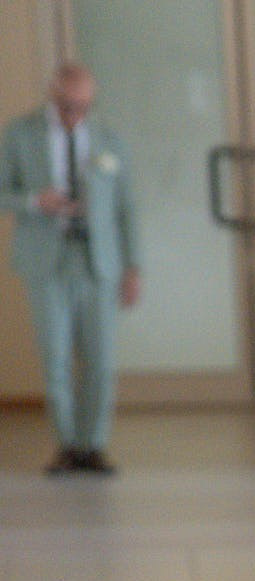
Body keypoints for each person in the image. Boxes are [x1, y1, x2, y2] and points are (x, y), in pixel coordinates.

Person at [2, 61, 139, 476]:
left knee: (100, 358)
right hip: (46, 259)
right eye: (66, 106)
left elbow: (126, 209)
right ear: (52, 96)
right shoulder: (19, 134)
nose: (73, 115)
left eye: (82, 107)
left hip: (98, 261)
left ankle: (93, 445)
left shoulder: (109, 140)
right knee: (55, 356)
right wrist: (33, 201)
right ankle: (67, 446)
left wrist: (133, 267)